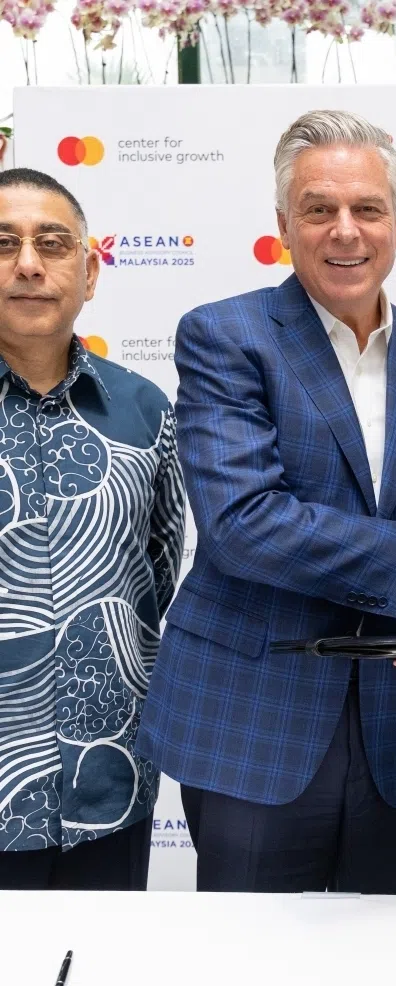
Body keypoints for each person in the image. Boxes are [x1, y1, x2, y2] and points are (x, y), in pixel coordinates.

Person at [138, 110, 396, 894]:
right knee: (250, 981)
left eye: (367, 210)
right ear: (284, 224)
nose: (345, 231)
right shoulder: (225, 336)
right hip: (252, 727)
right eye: (320, 209)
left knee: (391, 978)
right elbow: (245, 525)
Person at [0, 168, 185, 889]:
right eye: (5, 244)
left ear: (90, 269)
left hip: (108, 791)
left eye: (52, 243)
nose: (28, 264)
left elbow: (157, 574)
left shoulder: (145, 413)